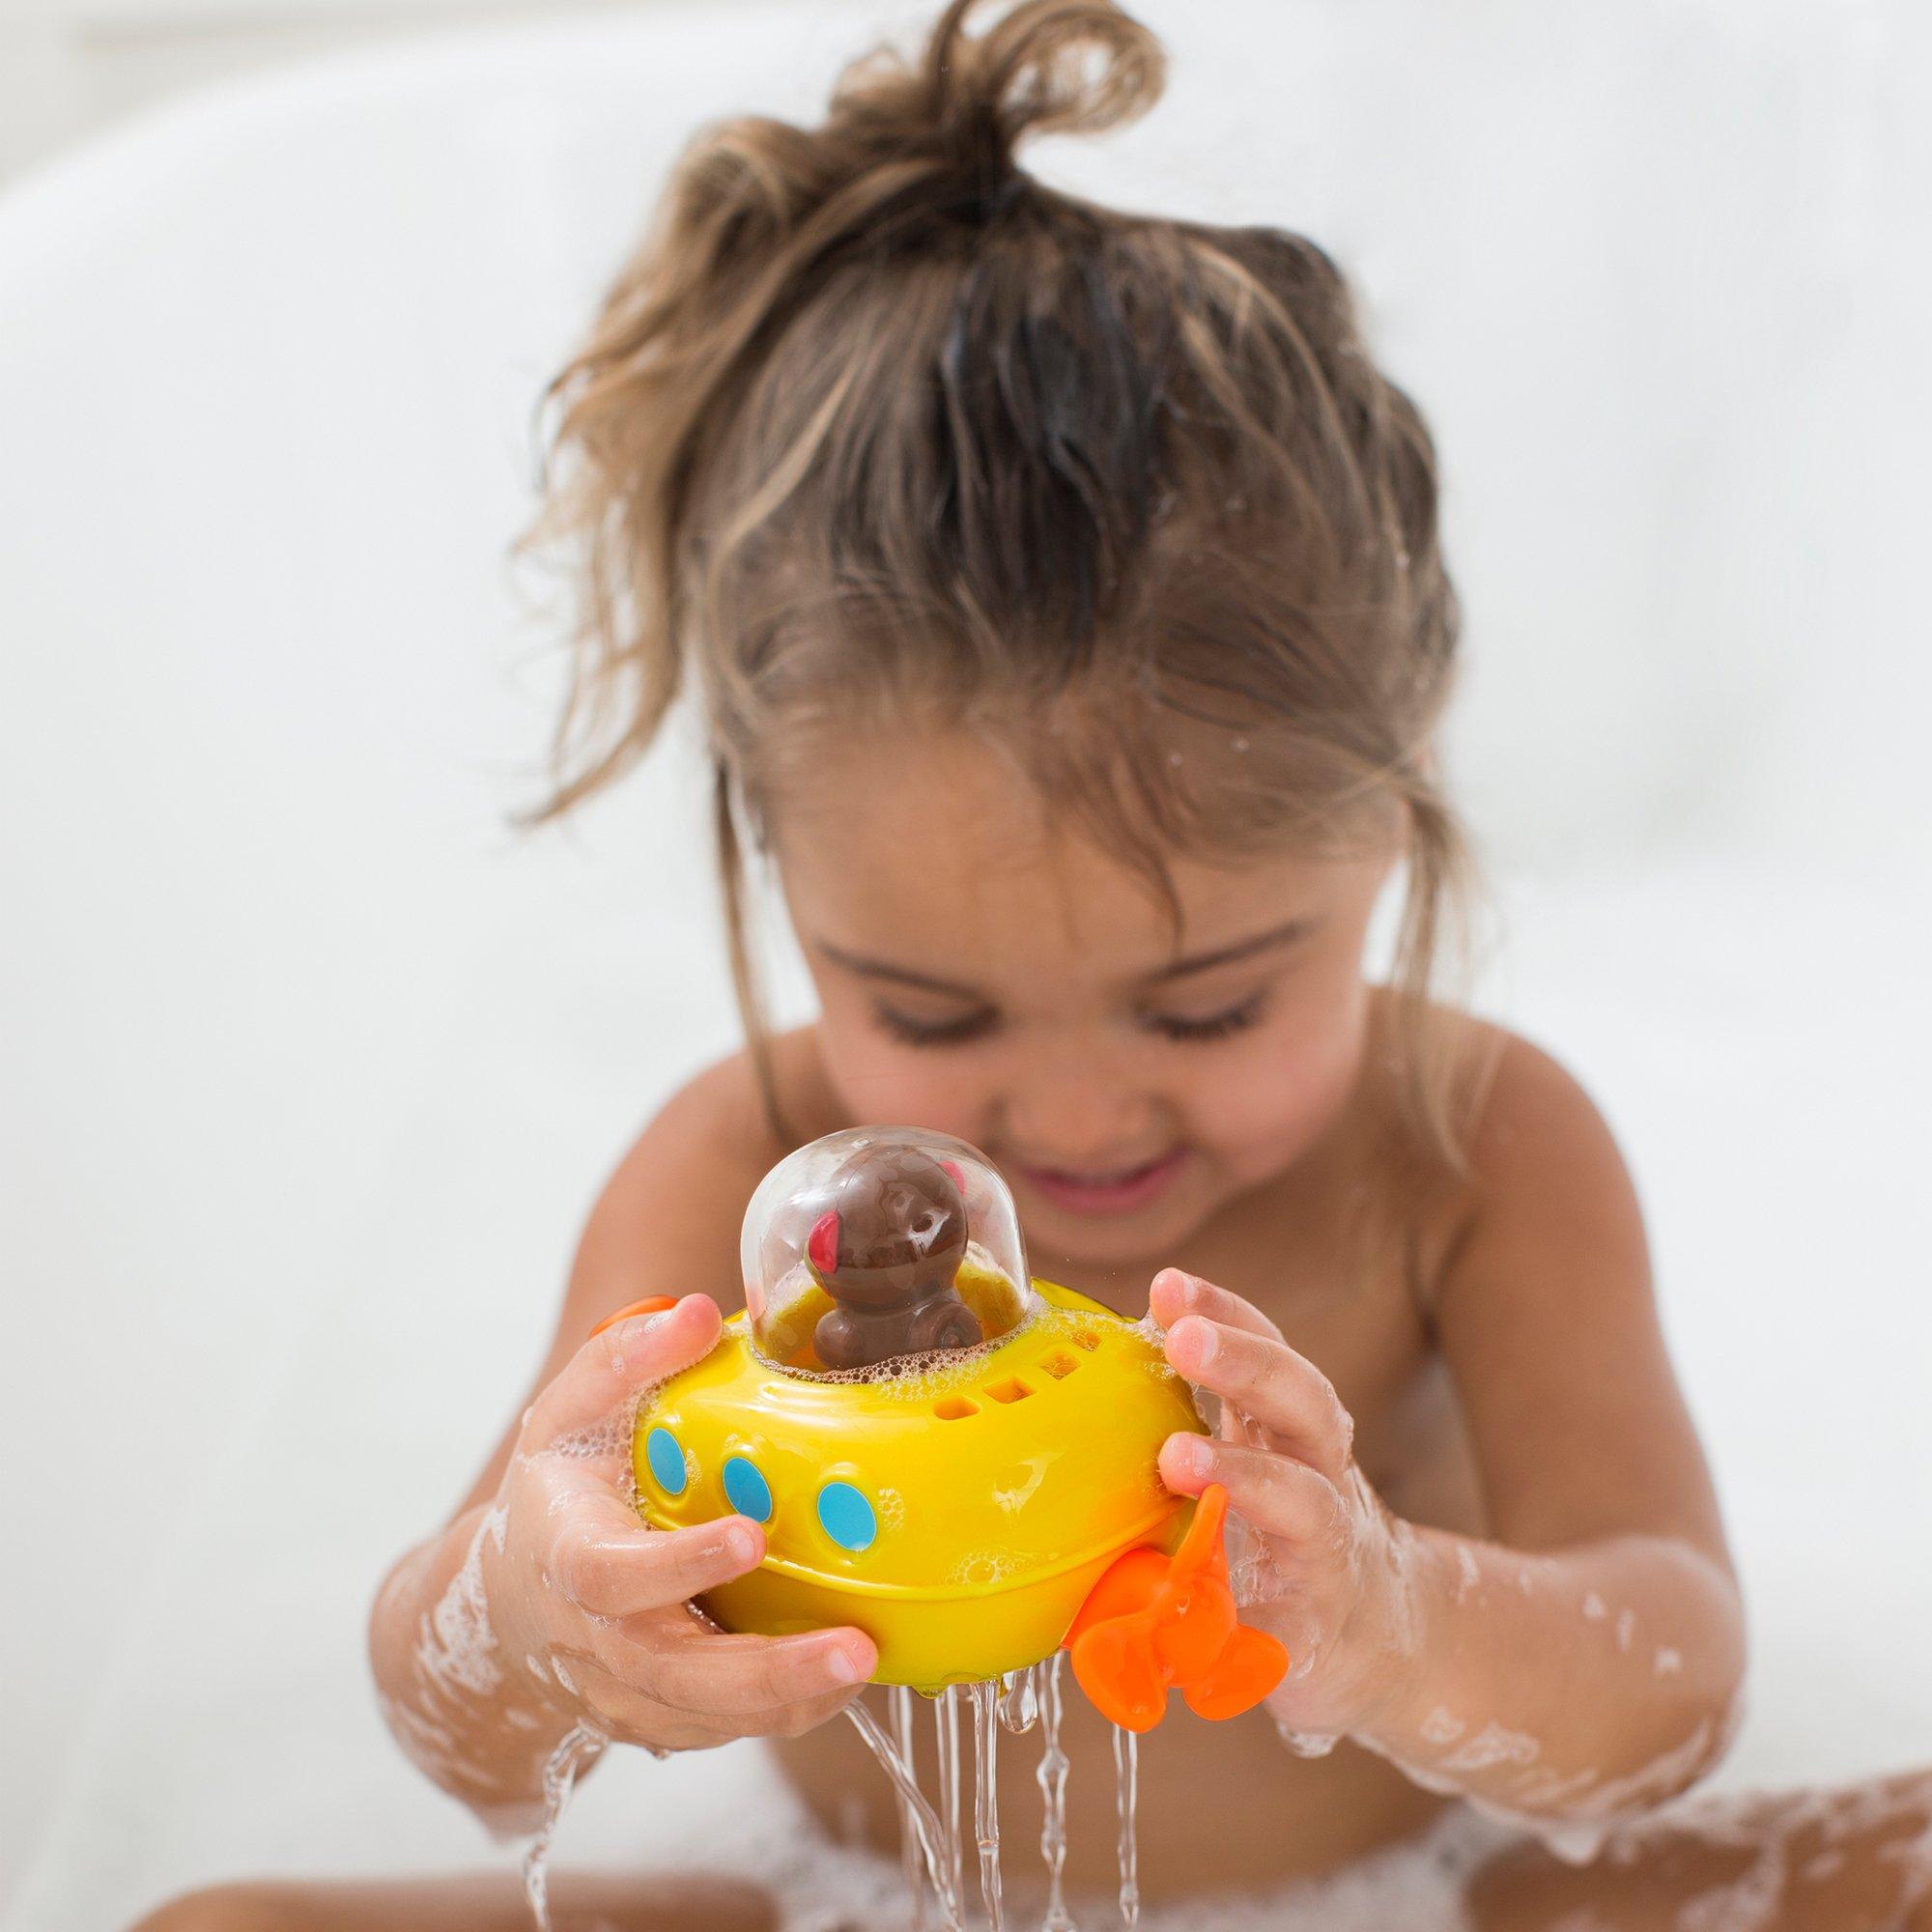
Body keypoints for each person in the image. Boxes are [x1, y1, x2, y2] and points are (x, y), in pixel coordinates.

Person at [136, 1, 1932, 1925]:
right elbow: (462, 1743)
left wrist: (1399, 1616)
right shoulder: (726, 1172)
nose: (1074, 1111)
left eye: (1212, 1000)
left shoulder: (1473, 1147)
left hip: (1436, 1897)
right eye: (926, 1008)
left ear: (1385, 839)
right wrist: (532, 1616)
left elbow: (1665, 1693)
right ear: (775, 869)